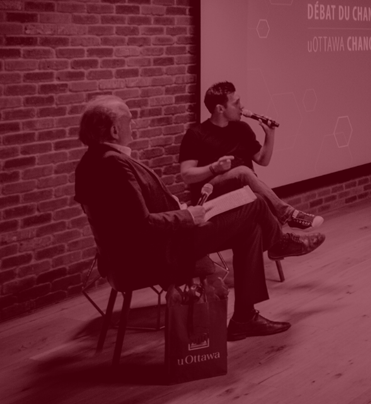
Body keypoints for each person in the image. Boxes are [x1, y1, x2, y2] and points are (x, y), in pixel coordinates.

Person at [74, 96, 325, 340]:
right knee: (256, 203)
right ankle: (279, 243)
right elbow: (142, 226)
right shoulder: (113, 164)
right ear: (115, 130)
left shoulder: (91, 162)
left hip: (156, 244)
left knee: (251, 228)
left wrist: (181, 209)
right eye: (130, 119)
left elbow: (132, 219)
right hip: (158, 252)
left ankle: (245, 319)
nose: (134, 124)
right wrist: (187, 215)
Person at [179, 81, 323, 230]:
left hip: (243, 192)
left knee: (258, 198)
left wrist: (270, 135)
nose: (242, 106)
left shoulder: (242, 128)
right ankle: (289, 215)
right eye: (236, 103)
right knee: (242, 172)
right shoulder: (196, 134)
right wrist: (214, 168)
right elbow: (186, 174)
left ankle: (279, 244)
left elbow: (263, 160)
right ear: (220, 108)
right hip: (210, 196)